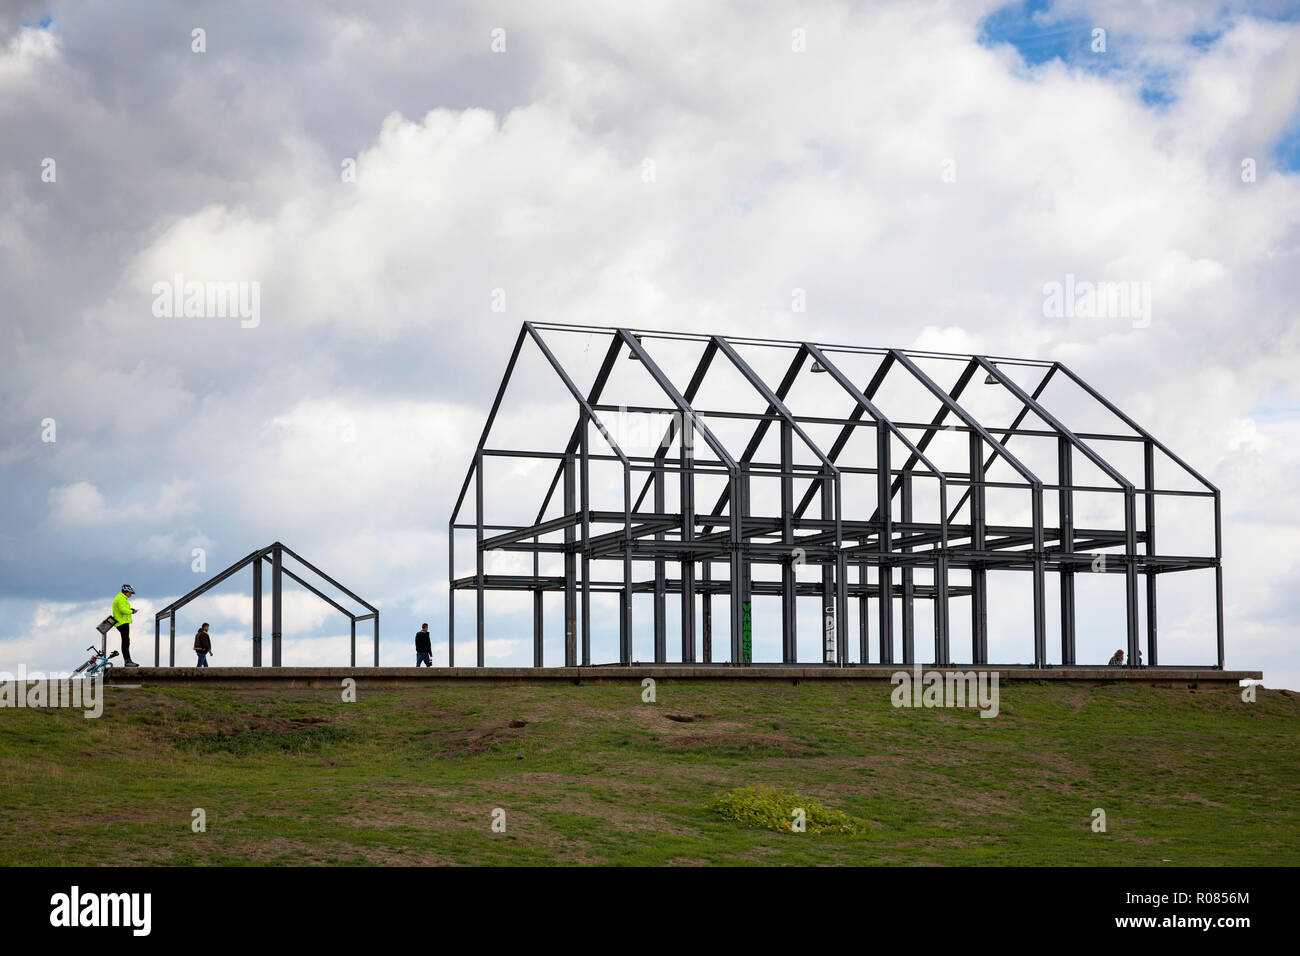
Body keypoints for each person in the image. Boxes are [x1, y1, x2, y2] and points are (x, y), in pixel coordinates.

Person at [112, 584, 140, 667]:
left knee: (126, 641)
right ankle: (127, 661)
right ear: (126, 592)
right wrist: (131, 612)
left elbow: (123, 608)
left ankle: (128, 660)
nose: (130, 595)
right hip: (122, 622)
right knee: (125, 642)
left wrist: (130, 610)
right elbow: (122, 609)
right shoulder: (120, 598)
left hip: (122, 622)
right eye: (130, 593)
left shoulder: (121, 598)